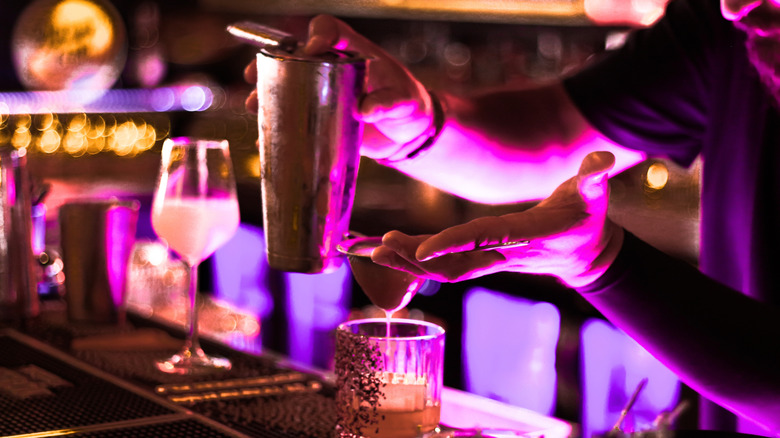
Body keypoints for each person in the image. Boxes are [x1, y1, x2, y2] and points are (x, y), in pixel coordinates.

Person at [244, 0, 780, 434]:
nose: (732, 5)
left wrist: (605, 264)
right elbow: (555, 125)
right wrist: (421, 122)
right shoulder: (729, 24)